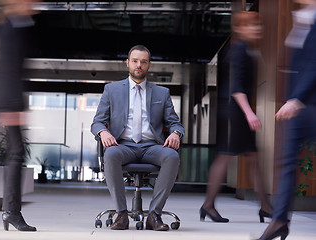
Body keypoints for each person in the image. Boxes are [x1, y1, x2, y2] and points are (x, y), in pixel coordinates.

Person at [91, 45, 184, 231]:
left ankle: (154, 215)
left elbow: (175, 123)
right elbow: (97, 122)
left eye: (143, 61)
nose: (138, 65)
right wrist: (103, 132)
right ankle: (122, 214)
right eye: (134, 61)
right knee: (110, 154)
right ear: (127, 63)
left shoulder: (162, 93)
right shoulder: (112, 90)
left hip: (152, 147)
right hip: (123, 145)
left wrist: (176, 133)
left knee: (172, 156)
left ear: (149, 65)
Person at [200, 11, 273, 223]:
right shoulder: (239, 49)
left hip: (234, 110)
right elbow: (236, 87)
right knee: (227, 156)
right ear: (240, 28)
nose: (257, 29)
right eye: (252, 25)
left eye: (258, 25)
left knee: (251, 158)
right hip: (235, 110)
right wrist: (249, 113)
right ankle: (209, 204)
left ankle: (264, 206)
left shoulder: (244, 49)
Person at [258, 1, 316, 240]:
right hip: (301, 107)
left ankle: (280, 220)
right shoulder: (302, 18)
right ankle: (280, 220)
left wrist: (295, 99)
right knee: (286, 162)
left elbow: (314, 64)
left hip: (307, 104)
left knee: (287, 162)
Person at [0, 0, 38, 231]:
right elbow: (8, 69)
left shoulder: (17, 25)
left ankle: (11, 211)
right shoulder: (12, 27)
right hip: (9, 99)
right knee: (16, 153)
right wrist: (13, 107)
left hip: (10, 99)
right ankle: (11, 212)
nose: (35, 4)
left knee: (16, 153)